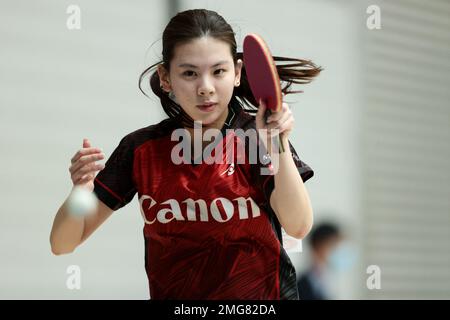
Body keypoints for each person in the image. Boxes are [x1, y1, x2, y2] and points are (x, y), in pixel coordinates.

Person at [50, 9, 322, 299]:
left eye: (218, 71)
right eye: (189, 73)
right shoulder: (141, 149)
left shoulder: (256, 139)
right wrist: (80, 190)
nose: (205, 88)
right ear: (166, 78)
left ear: (238, 73)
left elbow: (299, 225)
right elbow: (64, 243)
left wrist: (277, 144)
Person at [297, 222, 343, 300]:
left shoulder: (330, 278)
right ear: (319, 245)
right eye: (334, 245)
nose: (338, 250)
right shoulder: (301, 285)